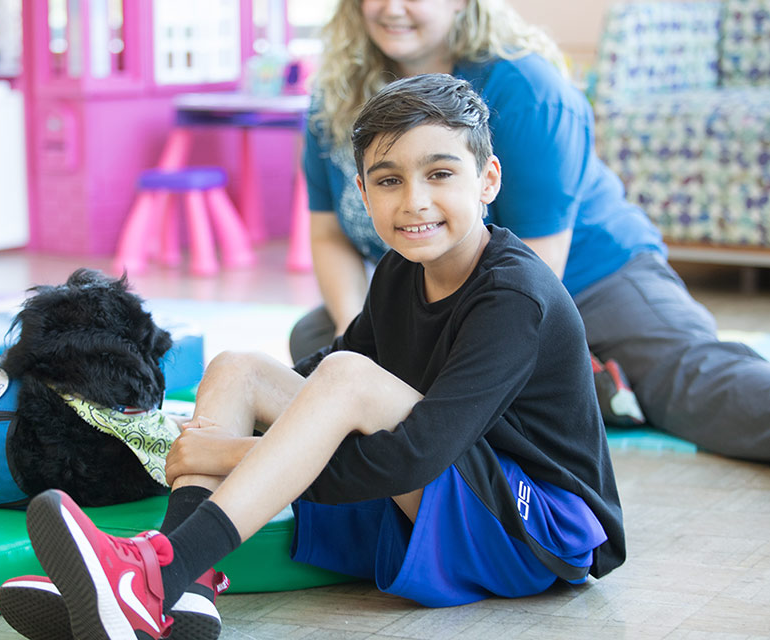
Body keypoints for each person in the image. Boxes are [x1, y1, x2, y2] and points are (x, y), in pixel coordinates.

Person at [0, 73, 625, 640]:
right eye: (388, 181)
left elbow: (414, 454)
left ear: (487, 179)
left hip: (537, 531)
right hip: (452, 496)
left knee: (347, 379)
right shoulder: (401, 274)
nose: (414, 201)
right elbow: (323, 376)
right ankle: (180, 580)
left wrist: (226, 452)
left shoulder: (515, 296)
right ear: (362, 193)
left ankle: (155, 576)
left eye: (440, 173)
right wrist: (204, 419)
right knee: (240, 367)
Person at [291, 0, 770, 461]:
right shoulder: (336, 96)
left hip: (593, 281)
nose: (391, 7)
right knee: (320, 342)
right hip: (450, 291)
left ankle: (588, 380)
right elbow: (329, 233)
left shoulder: (528, 90)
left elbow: (536, 281)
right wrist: (354, 339)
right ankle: (590, 388)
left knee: (703, 392)